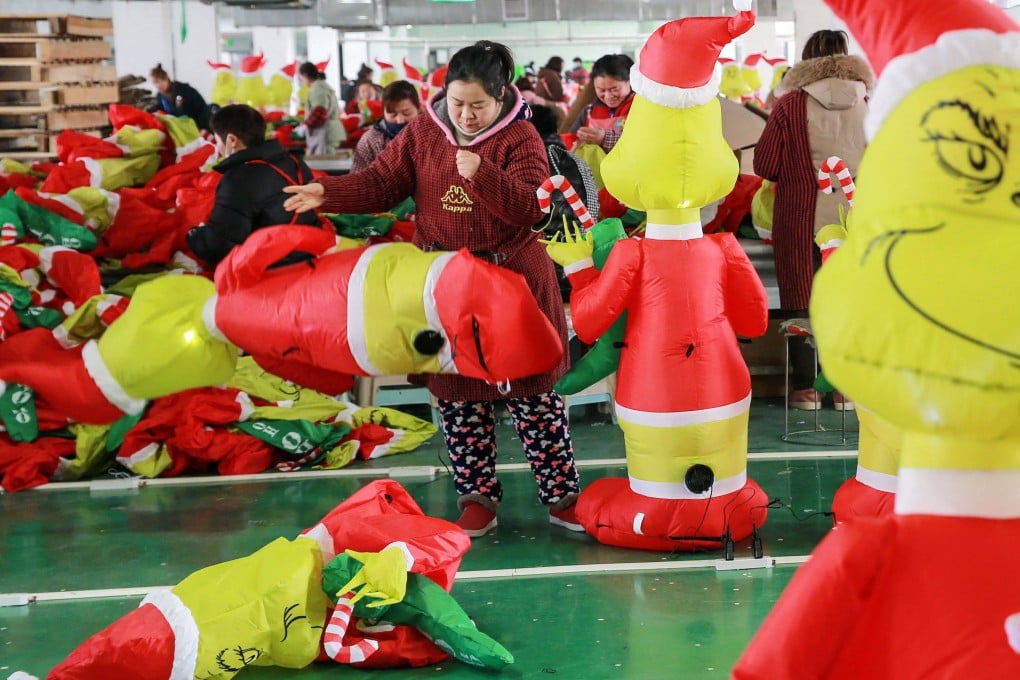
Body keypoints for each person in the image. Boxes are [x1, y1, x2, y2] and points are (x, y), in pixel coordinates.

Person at [283, 41, 582, 538]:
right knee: (459, 394)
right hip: (446, 284)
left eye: (478, 105)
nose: (465, 115)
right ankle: (477, 496)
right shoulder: (425, 130)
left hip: (513, 281)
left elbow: (531, 208)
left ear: (501, 95)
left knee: (534, 395)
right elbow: (381, 184)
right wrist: (327, 191)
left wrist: (482, 173)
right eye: (457, 102)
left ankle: (561, 496)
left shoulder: (521, 136)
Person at [753, 29, 873, 411]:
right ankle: (845, 389)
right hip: (856, 218)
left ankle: (806, 389)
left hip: (800, 219)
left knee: (801, 301)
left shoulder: (790, 105)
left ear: (806, 61)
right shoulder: (870, 103)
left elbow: (766, 164)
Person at [185, 104, 325, 269]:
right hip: (309, 256)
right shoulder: (294, 161)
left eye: (217, 141)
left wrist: (196, 235)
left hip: (274, 269)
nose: (218, 148)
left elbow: (217, 247)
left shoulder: (239, 178)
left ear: (231, 140)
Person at [350, 80, 421, 173]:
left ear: (418, 109)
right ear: (383, 112)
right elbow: (357, 178)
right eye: (393, 114)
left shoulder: (430, 136)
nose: (400, 120)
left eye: (406, 113)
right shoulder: (370, 140)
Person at [569, 54, 634, 153]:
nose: (608, 96)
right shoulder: (589, 111)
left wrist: (605, 138)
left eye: (614, 89)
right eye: (601, 90)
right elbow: (570, 138)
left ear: (630, 82)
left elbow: (643, 143)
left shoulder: (638, 108)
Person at [298, 61, 345, 155]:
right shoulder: (322, 86)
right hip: (329, 133)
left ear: (305, 75)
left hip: (325, 134)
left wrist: (306, 125)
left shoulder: (317, 89)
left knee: (325, 166)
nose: (301, 80)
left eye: (301, 77)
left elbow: (319, 112)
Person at [148, 63, 210, 131]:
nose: (157, 86)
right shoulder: (159, 97)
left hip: (197, 127)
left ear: (166, 78)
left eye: (158, 82)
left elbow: (181, 110)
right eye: (154, 83)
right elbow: (155, 110)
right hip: (178, 130)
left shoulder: (183, 91)